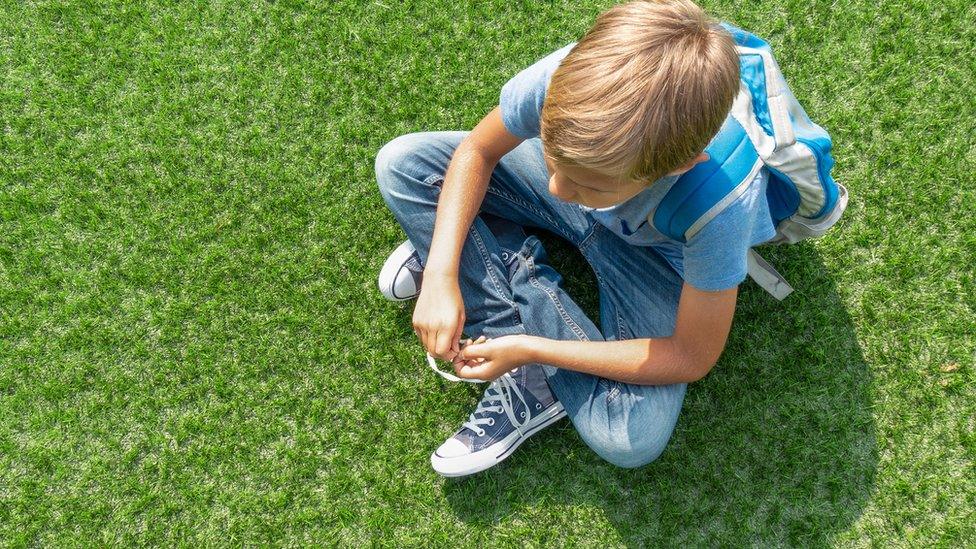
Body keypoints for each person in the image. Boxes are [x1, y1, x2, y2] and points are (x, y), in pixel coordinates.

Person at [375, 0, 777, 477]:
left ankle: (503, 291)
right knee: (402, 164)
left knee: (631, 436)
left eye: (590, 185)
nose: (557, 190)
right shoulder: (572, 82)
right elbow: (478, 149)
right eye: (552, 157)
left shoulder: (720, 208)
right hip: (619, 194)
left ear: (677, 166)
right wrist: (441, 273)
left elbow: (691, 356)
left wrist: (533, 348)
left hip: (654, 257)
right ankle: (471, 252)